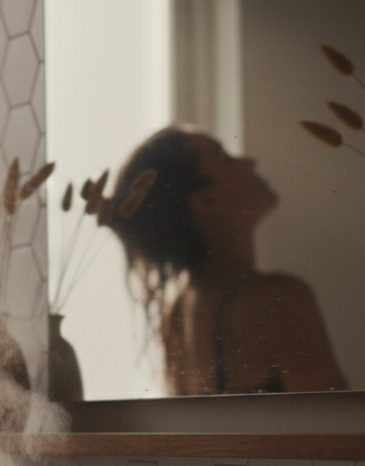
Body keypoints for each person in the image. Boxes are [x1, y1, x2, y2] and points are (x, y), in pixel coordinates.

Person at [106, 124, 346, 395]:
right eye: (228, 159)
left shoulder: (175, 315)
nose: (250, 161)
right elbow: (337, 430)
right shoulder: (277, 299)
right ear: (207, 202)